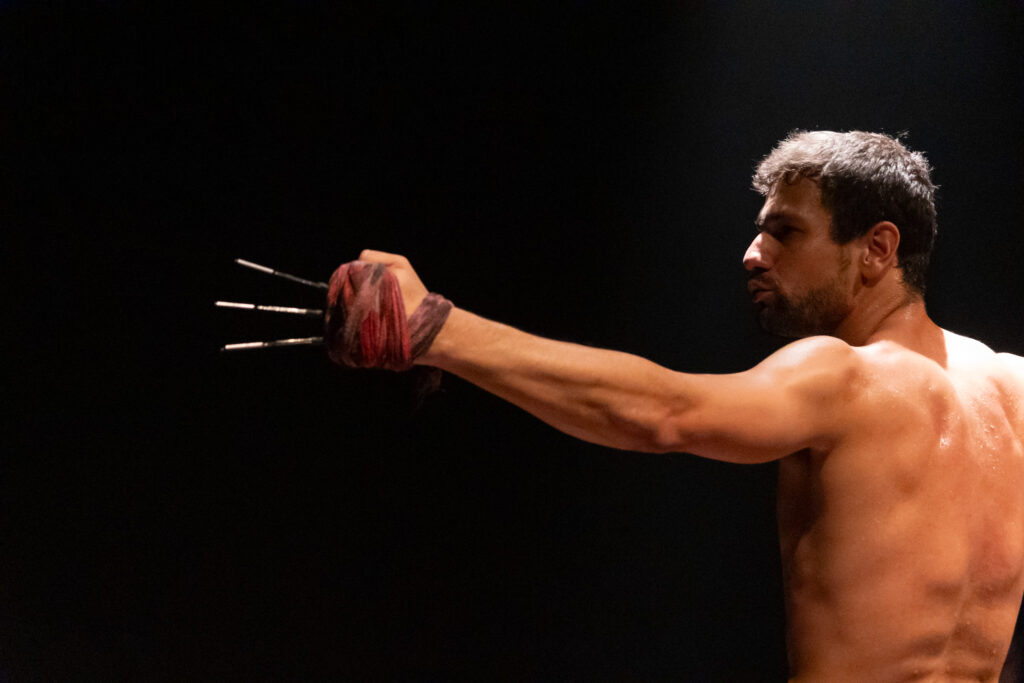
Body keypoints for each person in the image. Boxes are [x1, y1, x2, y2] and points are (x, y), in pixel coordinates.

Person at [356, 131, 1024, 681]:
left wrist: (437, 330)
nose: (752, 255)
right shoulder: (1015, 390)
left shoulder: (845, 376)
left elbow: (663, 413)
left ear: (876, 249)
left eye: (786, 232)